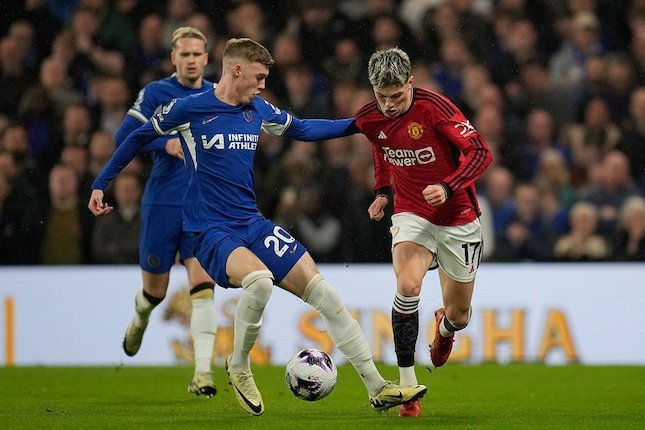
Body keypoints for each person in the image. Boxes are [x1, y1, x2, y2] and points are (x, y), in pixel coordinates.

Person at [89, 37, 427, 416]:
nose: (264, 84)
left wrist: (360, 124)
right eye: (260, 76)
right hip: (209, 230)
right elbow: (137, 136)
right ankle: (238, 364)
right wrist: (101, 182)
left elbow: (303, 130)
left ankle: (377, 387)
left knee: (326, 295)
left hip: (250, 223)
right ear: (237, 70)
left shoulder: (257, 109)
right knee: (260, 280)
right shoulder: (190, 109)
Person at [354, 48, 493, 417]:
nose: (388, 105)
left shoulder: (437, 109)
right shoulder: (370, 117)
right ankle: (407, 390)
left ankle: (444, 328)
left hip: (458, 215)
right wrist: (383, 192)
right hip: (412, 212)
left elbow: (481, 153)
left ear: (411, 83)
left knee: (460, 315)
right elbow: (382, 147)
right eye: (381, 96)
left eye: (396, 96)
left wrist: (449, 186)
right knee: (408, 287)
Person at [111, 27, 218, 398]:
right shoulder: (156, 94)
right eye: (183, 54)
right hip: (162, 203)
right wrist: (164, 142)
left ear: (207, 58)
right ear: (173, 58)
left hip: (204, 205)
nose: (190, 60)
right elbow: (122, 136)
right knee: (155, 291)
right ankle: (140, 317)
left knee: (203, 283)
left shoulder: (218, 93)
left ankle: (203, 373)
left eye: (197, 54)